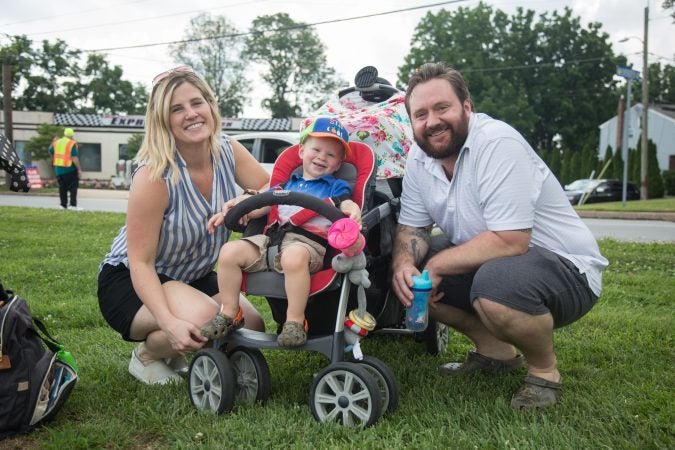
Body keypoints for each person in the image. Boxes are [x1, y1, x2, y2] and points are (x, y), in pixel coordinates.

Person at [391, 63, 608, 409]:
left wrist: (438, 267)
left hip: (569, 270)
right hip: (500, 260)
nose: (432, 121)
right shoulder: (419, 157)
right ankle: (496, 354)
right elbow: (412, 227)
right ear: (411, 122)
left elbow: (512, 240)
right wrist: (404, 265)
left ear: (466, 106)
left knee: (491, 285)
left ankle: (544, 373)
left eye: (442, 108)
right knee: (416, 274)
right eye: (420, 114)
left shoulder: (497, 143)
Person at [97, 66, 268, 385]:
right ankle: (148, 354)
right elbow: (140, 262)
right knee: (209, 322)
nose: (191, 114)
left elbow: (272, 187)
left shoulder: (227, 149)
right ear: (163, 120)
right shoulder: (154, 175)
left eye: (196, 102)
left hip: (193, 275)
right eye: (177, 109)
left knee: (252, 326)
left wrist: (247, 198)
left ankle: (181, 337)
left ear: (210, 105)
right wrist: (168, 322)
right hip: (132, 281)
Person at [205, 116, 362, 347]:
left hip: (307, 245)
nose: (321, 157)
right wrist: (235, 210)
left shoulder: (335, 186)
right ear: (301, 152)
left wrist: (353, 210)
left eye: (330, 155)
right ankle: (229, 312)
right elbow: (261, 205)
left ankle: (295, 321)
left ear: (338, 164)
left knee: (293, 256)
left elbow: (345, 203)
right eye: (316, 149)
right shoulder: (286, 185)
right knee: (229, 251)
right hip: (270, 241)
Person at [49, 128, 83, 210]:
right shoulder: (72, 143)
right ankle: (72, 205)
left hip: (58, 170)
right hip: (69, 169)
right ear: (72, 136)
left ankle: (63, 205)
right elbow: (74, 157)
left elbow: (50, 151)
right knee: (73, 188)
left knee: (62, 188)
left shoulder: (57, 142)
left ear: (64, 134)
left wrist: (53, 142)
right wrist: (79, 169)